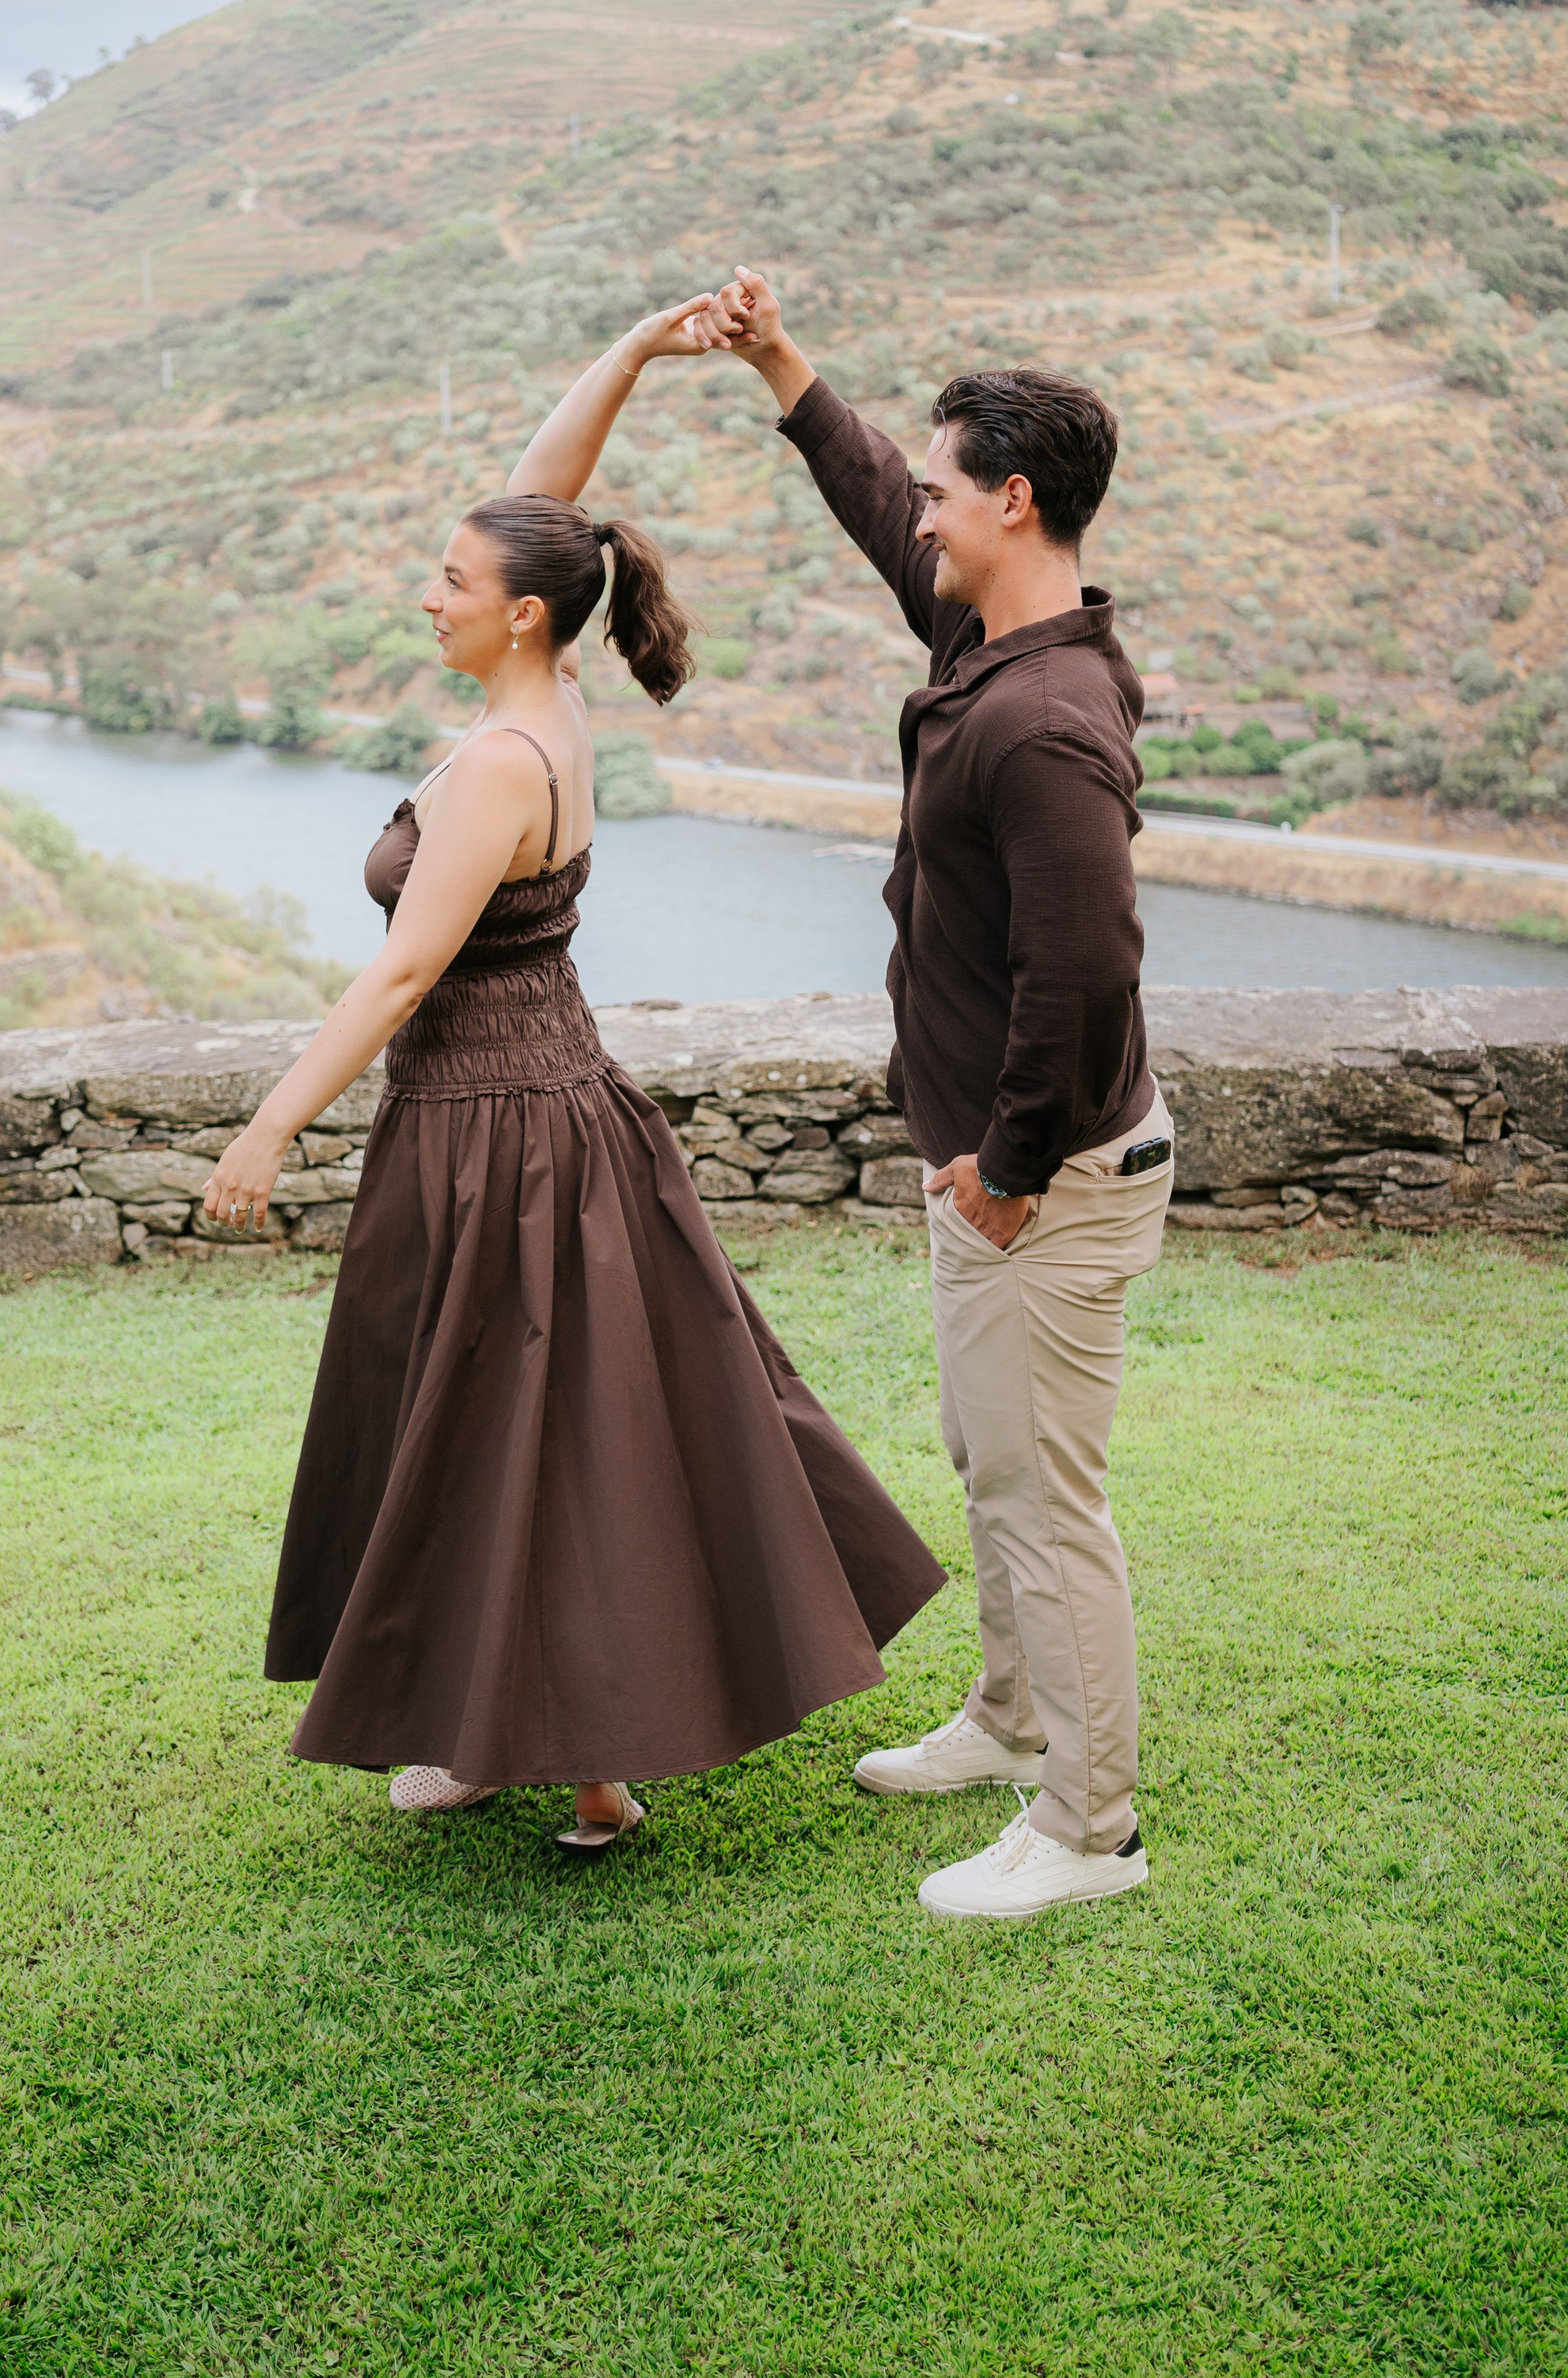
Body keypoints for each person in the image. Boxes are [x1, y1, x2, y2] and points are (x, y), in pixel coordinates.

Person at [203, 298, 944, 1856]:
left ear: (521, 615)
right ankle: (517, 1744)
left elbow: (406, 972)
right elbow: (545, 513)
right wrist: (628, 353)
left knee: (519, 1428)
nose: (430, 596)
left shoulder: (495, 768)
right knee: (514, 1428)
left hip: (494, 1133)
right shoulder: (548, 706)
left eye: (450, 582)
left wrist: (270, 1122)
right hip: (545, 1111)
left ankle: (581, 1761)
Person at [707, 266, 1174, 1923]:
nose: (917, 506)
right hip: (995, 1163)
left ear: (1013, 500)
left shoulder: (1043, 718)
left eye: (940, 485)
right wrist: (778, 368)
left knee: (1044, 1497)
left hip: (1040, 1180)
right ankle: (1005, 1720)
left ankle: (1088, 1828)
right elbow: (868, 513)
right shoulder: (992, 633)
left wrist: (1008, 1163)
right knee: (995, 1468)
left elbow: (1085, 969)